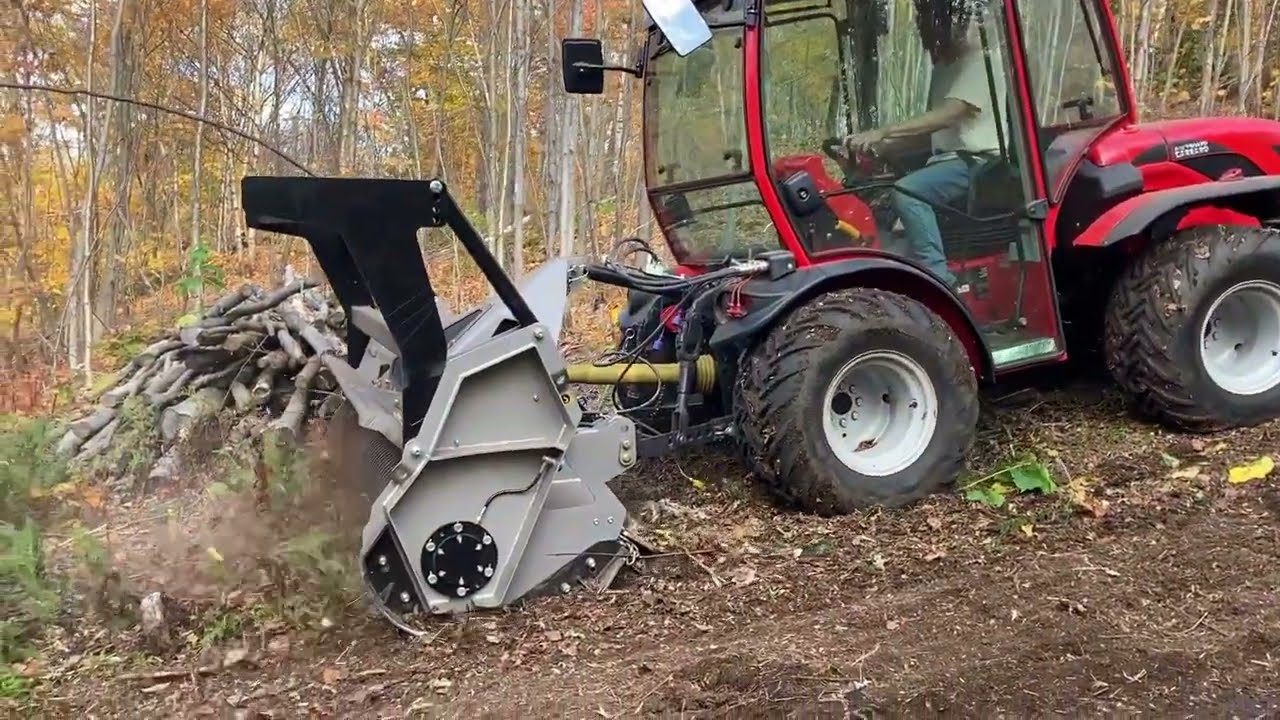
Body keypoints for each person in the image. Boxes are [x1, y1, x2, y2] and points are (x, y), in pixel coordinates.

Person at [843, 0, 1006, 287]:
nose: (927, 38)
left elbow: (947, 116)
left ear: (952, 25)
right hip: (947, 160)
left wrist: (884, 132)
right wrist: (878, 149)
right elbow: (931, 134)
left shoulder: (981, 63)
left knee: (908, 192)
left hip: (978, 163)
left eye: (932, 28)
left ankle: (939, 279)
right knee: (879, 198)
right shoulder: (945, 67)